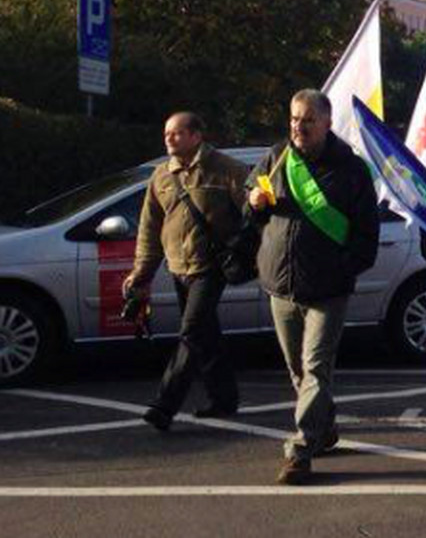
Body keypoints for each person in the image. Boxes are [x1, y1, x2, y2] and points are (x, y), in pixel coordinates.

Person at [247, 89, 379, 485]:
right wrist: (253, 202)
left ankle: (301, 451)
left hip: (328, 290)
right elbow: (252, 210)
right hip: (281, 285)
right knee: (298, 371)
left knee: (316, 368)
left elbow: (365, 236)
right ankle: (326, 427)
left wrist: (343, 270)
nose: (297, 127)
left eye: (306, 120)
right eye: (293, 119)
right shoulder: (277, 157)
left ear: (326, 122)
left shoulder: (351, 170)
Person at [125, 112, 248, 431]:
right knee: (205, 335)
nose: (169, 138)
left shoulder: (226, 169)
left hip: (211, 267)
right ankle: (224, 399)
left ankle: (164, 405)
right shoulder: (161, 176)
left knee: (191, 332)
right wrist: (142, 273)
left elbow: (252, 213)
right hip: (178, 267)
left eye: (177, 133)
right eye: (167, 133)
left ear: (196, 136)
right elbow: (149, 229)